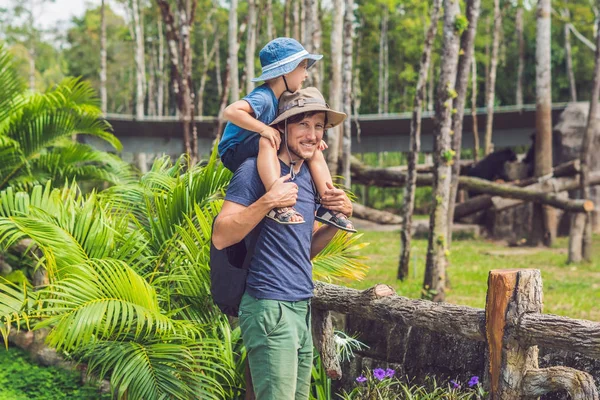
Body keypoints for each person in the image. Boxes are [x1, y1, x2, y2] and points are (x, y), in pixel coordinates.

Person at [212, 87, 353, 400]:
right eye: (303, 124)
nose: (312, 135)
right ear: (281, 127)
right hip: (268, 306)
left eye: (318, 126)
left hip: (300, 303)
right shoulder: (253, 172)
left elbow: (304, 251)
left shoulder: (307, 177)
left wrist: (335, 220)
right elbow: (221, 235)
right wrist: (267, 201)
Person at [219, 37, 355, 233]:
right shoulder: (264, 97)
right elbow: (231, 111)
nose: (305, 75)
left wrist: (312, 139)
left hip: (255, 143)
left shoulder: (280, 99)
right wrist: (263, 129)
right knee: (268, 139)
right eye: (303, 68)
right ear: (287, 70)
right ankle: (278, 199)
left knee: (313, 150)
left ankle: (329, 203)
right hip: (234, 150)